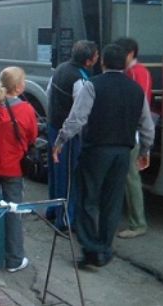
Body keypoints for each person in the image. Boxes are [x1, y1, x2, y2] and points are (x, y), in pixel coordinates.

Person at [52, 44, 154, 268]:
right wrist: (145, 150)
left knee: (88, 199)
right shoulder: (136, 89)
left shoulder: (92, 85)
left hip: (96, 150)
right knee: (112, 201)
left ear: (103, 63)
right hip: (123, 152)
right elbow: (147, 125)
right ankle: (105, 248)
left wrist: (60, 141)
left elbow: (77, 118)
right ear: (125, 64)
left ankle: (91, 251)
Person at [0, 66, 37, 273]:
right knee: (13, 213)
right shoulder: (27, 110)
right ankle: (14, 259)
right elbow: (31, 137)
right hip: (12, 167)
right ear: (19, 87)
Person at [45, 40, 98, 230]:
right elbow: (79, 112)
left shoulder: (60, 69)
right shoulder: (80, 79)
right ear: (89, 60)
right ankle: (65, 219)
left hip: (53, 127)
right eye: (96, 55)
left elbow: (49, 92)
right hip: (67, 134)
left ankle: (52, 210)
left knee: (55, 174)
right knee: (68, 178)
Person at [113, 37, 153, 239]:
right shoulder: (129, 72)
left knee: (131, 179)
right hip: (127, 133)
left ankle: (138, 223)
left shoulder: (139, 73)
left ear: (130, 54)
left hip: (131, 134)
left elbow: (141, 106)